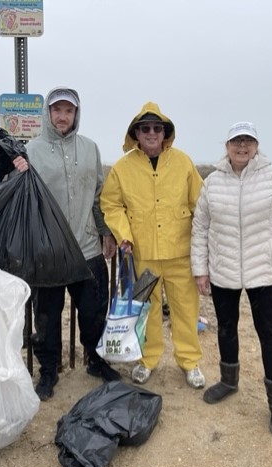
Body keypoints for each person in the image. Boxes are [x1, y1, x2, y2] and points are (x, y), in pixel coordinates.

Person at [190, 121, 272, 436]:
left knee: (269, 334)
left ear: (256, 146)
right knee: (226, 328)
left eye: (248, 141)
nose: (242, 147)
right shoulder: (212, 182)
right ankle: (228, 380)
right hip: (223, 270)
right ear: (226, 146)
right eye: (236, 142)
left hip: (264, 271)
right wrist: (201, 269)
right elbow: (200, 227)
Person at [100, 102, 205, 389]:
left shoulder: (183, 163)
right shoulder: (122, 169)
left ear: (165, 132)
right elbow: (110, 204)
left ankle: (190, 361)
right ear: (136, 132)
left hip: (180, 252)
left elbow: (201, 203)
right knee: (147, 309)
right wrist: (123, 234)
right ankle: (148, 360)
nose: (151, 133)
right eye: (144, 128)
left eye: (157, 128)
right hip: (142, 253)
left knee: (186, 309)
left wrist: (205, 241)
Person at [25, 86, 120, 401]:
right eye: (57, 110)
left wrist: (106, 231)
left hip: (88, 248)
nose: (62, 116)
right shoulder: (31, 150)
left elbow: (98, 194)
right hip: (49, 253)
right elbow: (22, 198)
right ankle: (49, 370)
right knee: (47, 318)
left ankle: (95, 360)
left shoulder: (90, 148)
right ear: (48, 114)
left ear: (76, 114)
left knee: (93, 312)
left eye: (69, 110)